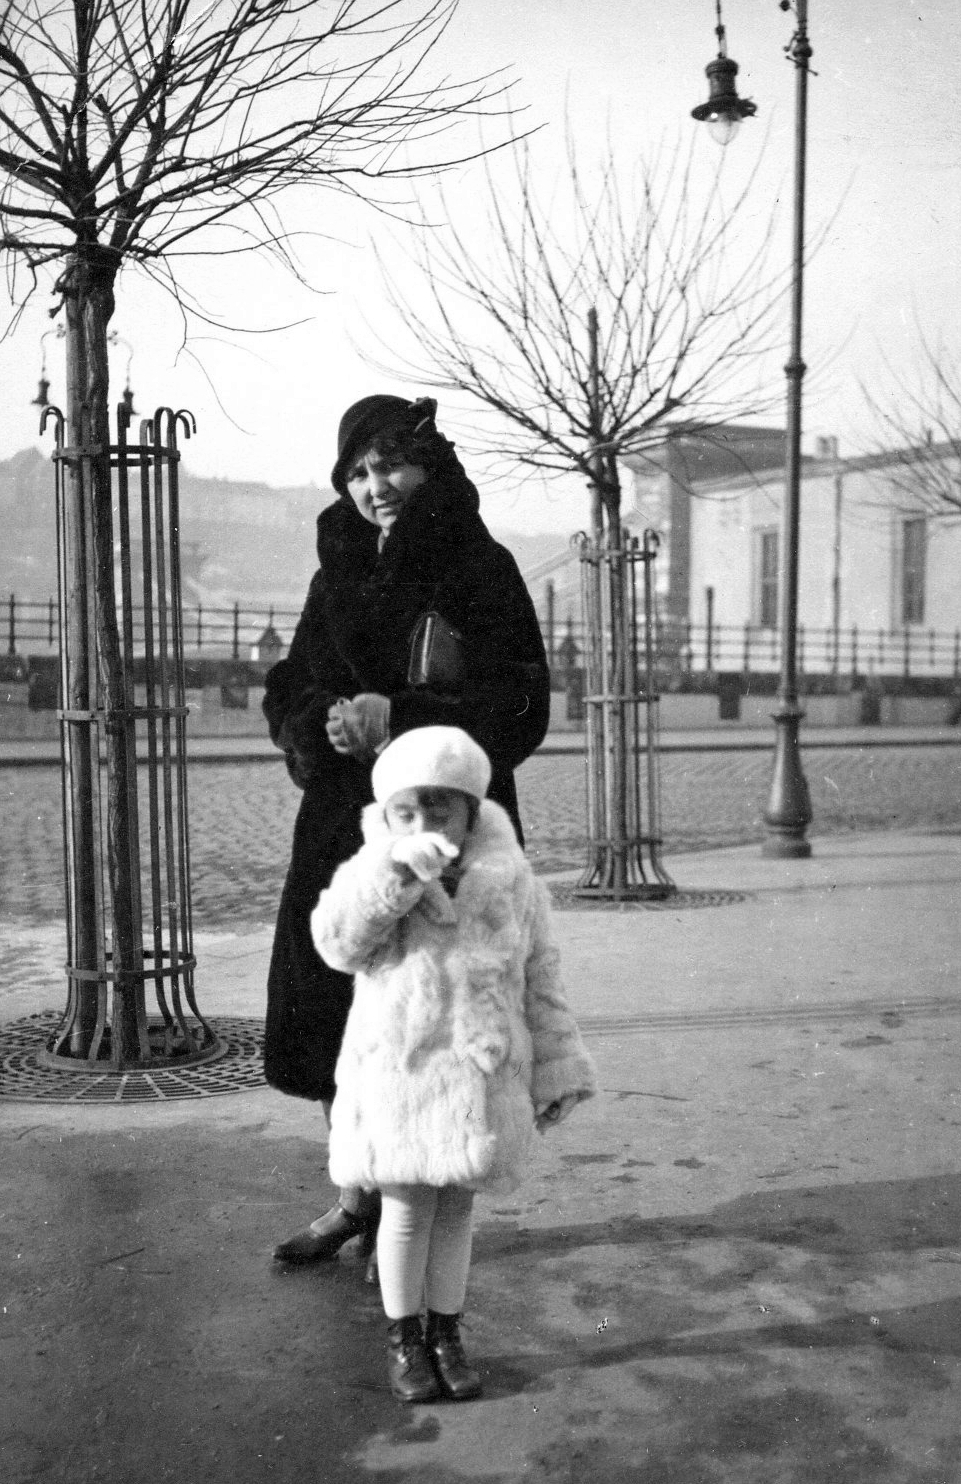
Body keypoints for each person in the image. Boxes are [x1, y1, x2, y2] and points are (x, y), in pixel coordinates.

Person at [263, 394, 551, 1267]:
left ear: (428, 464)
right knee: (342, 1005)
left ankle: (426, 1216)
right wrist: (321, 723)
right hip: (345, 829)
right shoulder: (337, 569)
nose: (374, 487)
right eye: (357, 472)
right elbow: (290, 682)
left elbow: (522, 699)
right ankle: (355, 1193)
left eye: (390, 463)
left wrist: (408, 714)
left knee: (439, 1016)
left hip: (445, 833)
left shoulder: (478, 563)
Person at [311, 727, 597, 1402]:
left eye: (440, 809)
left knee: (457, 1210)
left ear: (471, 811)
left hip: (479, 1074)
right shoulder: (375, 872)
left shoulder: (510, 881)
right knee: (407, 1209)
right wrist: (397, 873)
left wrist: (558, 1068)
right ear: (386, 816)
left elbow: (541, 978)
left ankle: (447, 1330)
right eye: (406, 811)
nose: (423, 824)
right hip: (402, 1074)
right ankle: (404, 1337)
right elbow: (337, 942)